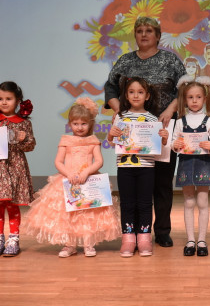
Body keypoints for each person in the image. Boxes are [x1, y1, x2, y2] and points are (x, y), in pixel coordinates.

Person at [104, 16, 186, 248]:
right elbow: (110, 86)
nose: (144, 34)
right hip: (132, 131)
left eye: (149, 30)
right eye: (139, 30)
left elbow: (184, 88)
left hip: (162, 128)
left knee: (162, 182)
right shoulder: (125, 61)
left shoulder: (170, 60)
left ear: (158, 35)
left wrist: (170, 110)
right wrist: (119, 109)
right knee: (136, 185)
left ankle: (162, 231)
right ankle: (138, 233)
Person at [23, 97, 120, 257]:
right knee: (69, 213)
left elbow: (99, 161)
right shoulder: (66, 140)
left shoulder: (93, 141)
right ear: (70, 124)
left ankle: (88, 244)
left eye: (83, 124)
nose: (79, 127)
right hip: (69, 181)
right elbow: (58, 161)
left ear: (90, 123)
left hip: (88, 180)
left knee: (88, 213)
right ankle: (70, 245)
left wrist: (86, 172)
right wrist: (69, 174)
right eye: (75, 123)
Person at [108, 77, 169, 257]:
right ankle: (128, 239)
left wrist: (164, 138)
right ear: (126, 95)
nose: (136, 96)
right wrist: (111, 135)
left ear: (147, 96)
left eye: (140, 92)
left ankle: (144, 238)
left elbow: (159, 147)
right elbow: (112, 142)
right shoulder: (120, 117)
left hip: (146, 167)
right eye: (132, 92)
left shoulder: (152, 119)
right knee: (127, 203)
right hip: (124, 167)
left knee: (145, 203)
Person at [171, 75, 210, 257]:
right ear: (185, 99)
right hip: (186, 163)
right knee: (189, 201)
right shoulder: (180, 121)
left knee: (202, 201)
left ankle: (202, 240)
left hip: (203, 163)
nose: (194, 101)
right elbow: (173, 143)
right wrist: (175, 145)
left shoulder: (209, 121)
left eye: (198, 97)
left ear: (204, 99)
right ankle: (190, 240)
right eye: (190, 97)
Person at [0, 81, 35, 256]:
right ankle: (0, 238)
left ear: (18, 100)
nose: (4, 102)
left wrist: (23, 139)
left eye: (8, 98)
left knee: (12, 204)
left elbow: (31, 145)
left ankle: (13, 238)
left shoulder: (23, 123)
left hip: (15, 167)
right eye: (0, 99)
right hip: (0, 168)